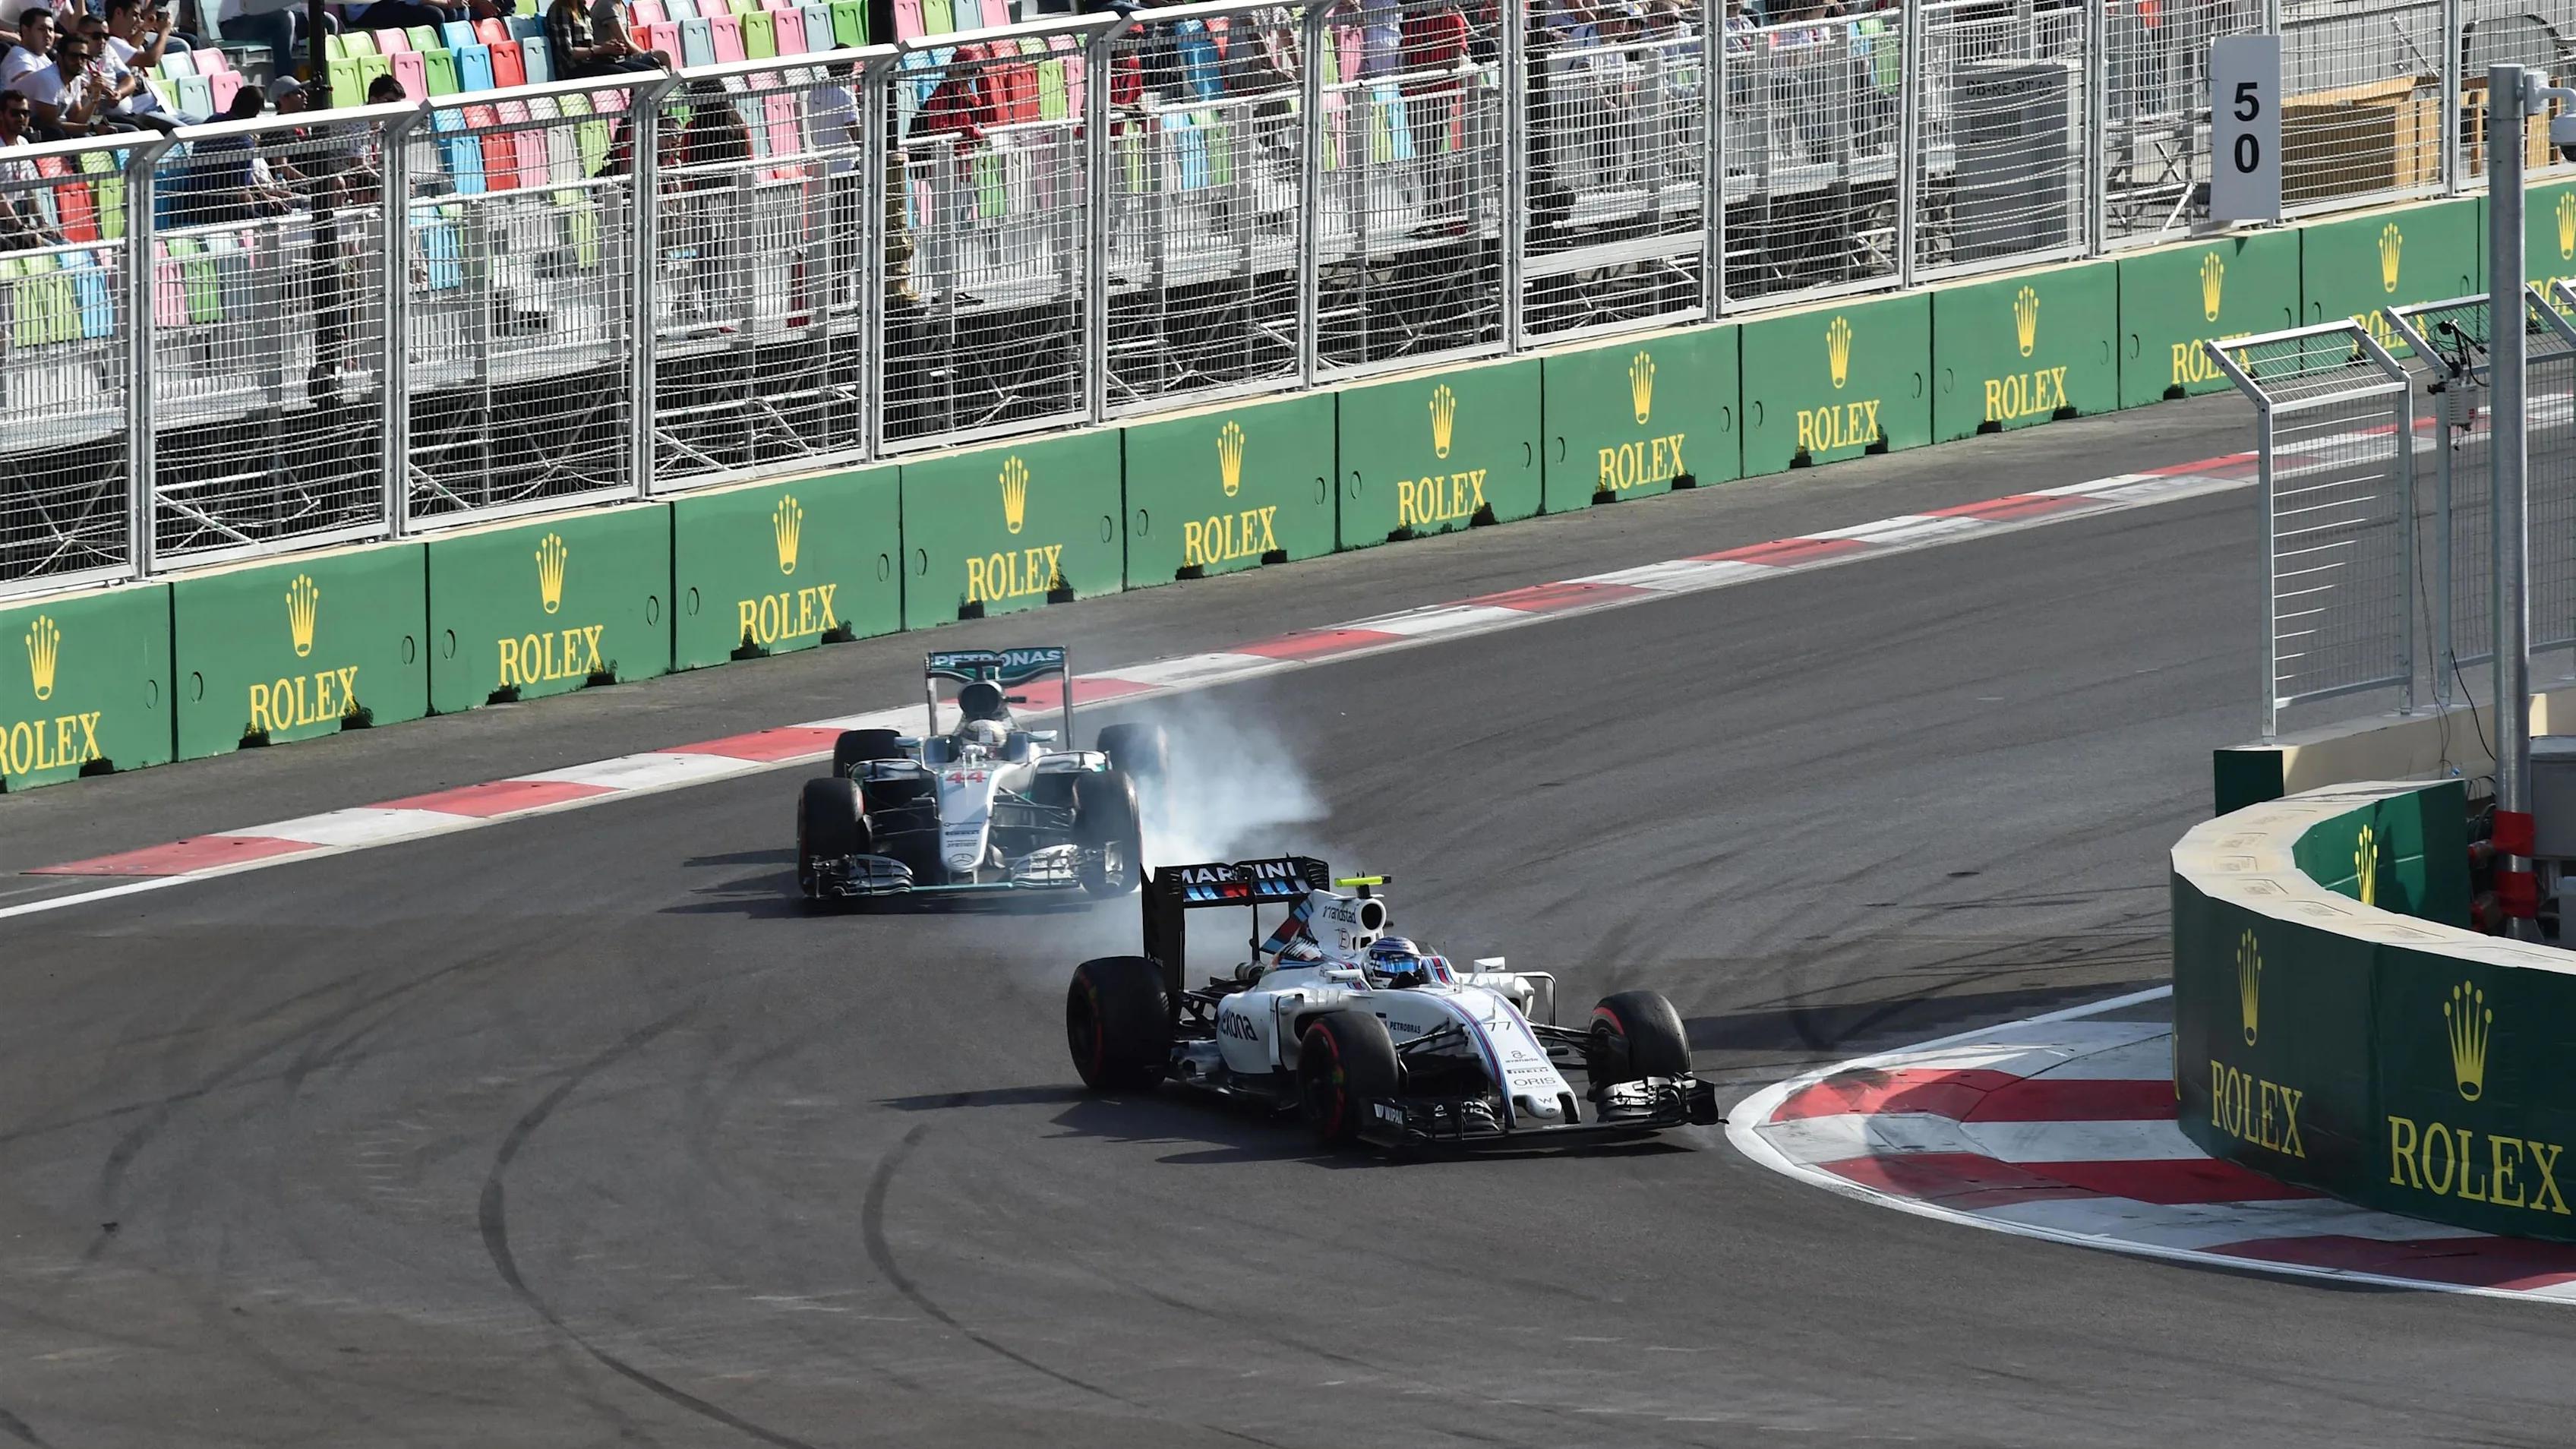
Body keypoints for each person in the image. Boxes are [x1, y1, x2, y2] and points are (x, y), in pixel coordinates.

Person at [0, 87, 62, 250]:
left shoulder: (23, 143)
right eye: (15, 113)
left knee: (61, 244)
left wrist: (42, 223)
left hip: (17, 217)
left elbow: (29, 190)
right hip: (4, 221)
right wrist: (21, 229)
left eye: (26, 113)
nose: (21, 118)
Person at [545, 0, 657, 79]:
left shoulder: (581, 8)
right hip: (575, 69)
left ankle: (649, 106)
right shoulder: (560, 10)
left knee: (650, 72)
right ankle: (636, 105)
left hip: (594, 63)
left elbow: (589, 45)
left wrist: (610, 48)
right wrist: (601, 49)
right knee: (630, 77)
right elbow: (567, 52)